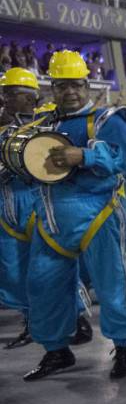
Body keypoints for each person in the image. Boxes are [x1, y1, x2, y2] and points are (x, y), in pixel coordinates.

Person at [23, 51, 126, 380]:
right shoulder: (43, 124)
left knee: (113, 284)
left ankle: (124, 349)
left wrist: (84, 155)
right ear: (52, 89)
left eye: (75, 85)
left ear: (87, 84)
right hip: (51, 218)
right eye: (62, 86)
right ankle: (56, 350)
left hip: (99, 213)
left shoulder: (107, 118)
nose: (69, 92)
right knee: (43, 285)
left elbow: (120, 158)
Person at [0, 67, 47, 349]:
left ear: (29, 98)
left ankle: (74, 318)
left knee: (50, 267)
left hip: (36, 201)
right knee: (12, 269)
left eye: (10, 93)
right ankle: (30, 321)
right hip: (5, 206)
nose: (4, 98)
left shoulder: (46, 127)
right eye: (4, 93)